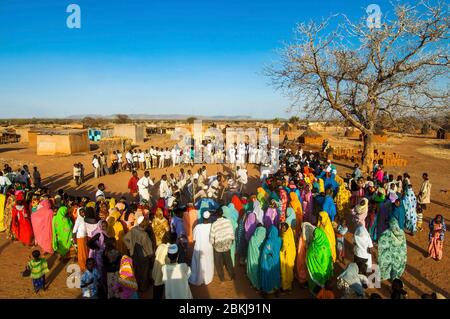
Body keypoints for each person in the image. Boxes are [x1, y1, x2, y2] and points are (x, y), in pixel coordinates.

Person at [123, 216, 154, 292]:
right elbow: (148, 249)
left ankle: (136, 287)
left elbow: (125, 239)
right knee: (144, 273)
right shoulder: (144, 235)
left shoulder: (133, 230)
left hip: (134, 254)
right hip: (144, 256)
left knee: (136, 271)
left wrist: (130, 247)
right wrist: (151, 256)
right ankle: (143, 288)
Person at [209, 207, 235, 282]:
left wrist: (212, 244)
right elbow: (231, 232)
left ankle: (222, 279)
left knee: (218, 262)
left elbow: (211, 238)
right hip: (227, 245)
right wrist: (231, 241)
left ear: (216, 215)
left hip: (218, 247)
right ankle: (232, 276)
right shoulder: (228, 221)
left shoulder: (214, 224)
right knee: (228, 260)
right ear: (222, 214)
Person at [189, 211, 215, 286]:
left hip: (199, 247)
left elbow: (194, 239)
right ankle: (208, 278)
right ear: (209, 218)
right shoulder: (212, 226)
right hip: (208, 248)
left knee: (199, 263)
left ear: (203, 218)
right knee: (208, 261)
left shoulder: (198, 227)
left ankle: (198, 278)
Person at [306, 228, 333, 294]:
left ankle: (319, 292)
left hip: (317, 268)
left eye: (315, 235)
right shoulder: (322, 243)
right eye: (314, 235)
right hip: (321, 269)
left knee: (318, 282)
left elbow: (310, 254)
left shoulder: (317, 245)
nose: (314, 237)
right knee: (322, 281)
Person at [260, 225, 282, 295]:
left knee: (269, 274)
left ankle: (268, 289)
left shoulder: (269, 241)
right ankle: (276, 289)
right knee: (276, 273)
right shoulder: (279, 240)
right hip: (277, 260)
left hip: (270, 260)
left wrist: (264, 261)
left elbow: (265, 252)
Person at [246, 225, 266, 290]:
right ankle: (258, 284)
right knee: (257, 270)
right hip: (259, 259)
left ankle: (254, 283)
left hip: (252, 259)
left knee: (253, 270)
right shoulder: (264, 239)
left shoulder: (253, 238)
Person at [279, 222, 296, 292]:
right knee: (290, 269)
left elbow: (284, 247)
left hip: (286, 255)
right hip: (291, 253)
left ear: (285, 228)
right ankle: (290, 286)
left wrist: (280, 250)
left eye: (283, 228)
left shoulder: (285, 236)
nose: (282, 229)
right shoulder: (290, 231)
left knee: (285, 270)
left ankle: (285, 287)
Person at [73, 207, 89, 271]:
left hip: (85, 237)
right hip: (80, 237)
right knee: (81, 252)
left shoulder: (85, 218)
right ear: (78, 213)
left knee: (85, 251)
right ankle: (82, 265)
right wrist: (73, 239)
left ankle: (86, 263)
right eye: (81, 212)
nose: (83, 213)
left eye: (83, 212)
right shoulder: (78, 220)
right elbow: (74, 230)